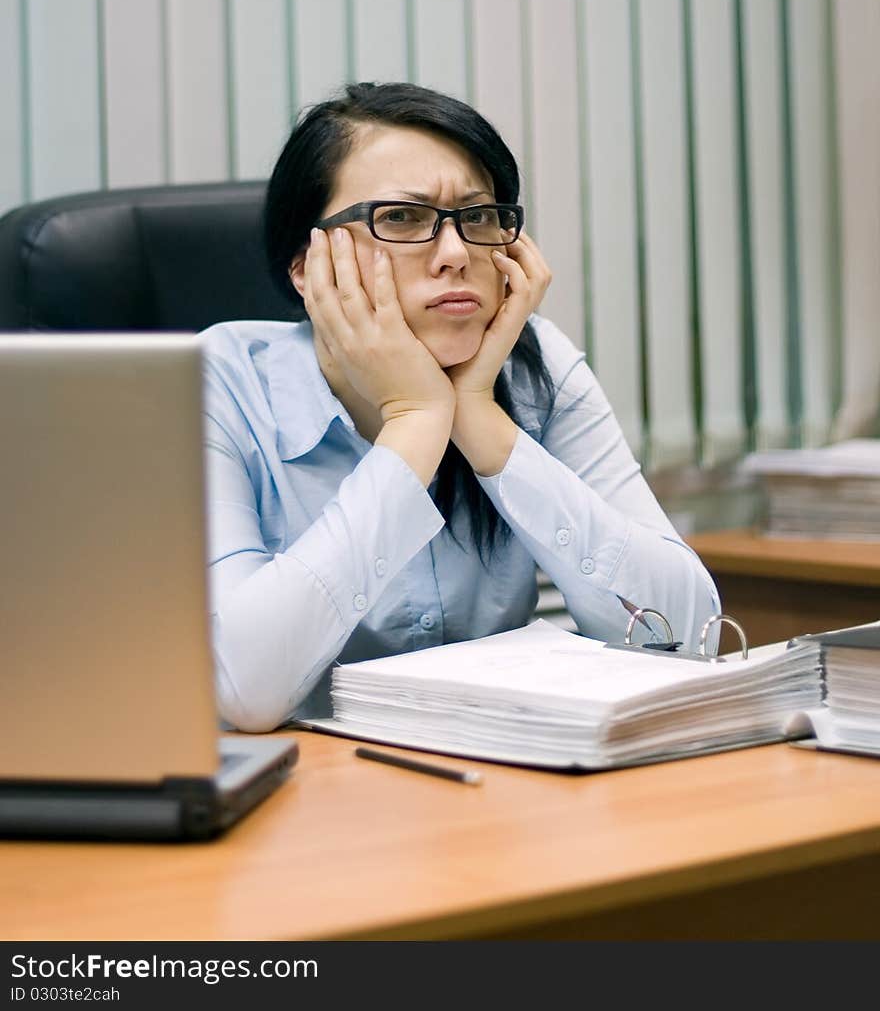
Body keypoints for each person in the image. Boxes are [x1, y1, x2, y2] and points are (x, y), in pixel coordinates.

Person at [201, 82, 720, 732]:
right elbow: (242, 688)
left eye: (477, 217)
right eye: (401, 218)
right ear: (307, 265)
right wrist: (416, 422)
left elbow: (691, 636)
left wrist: (478, 415)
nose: (455, 253)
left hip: (503, 788)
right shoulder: (217, 383)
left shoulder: (535, 368)